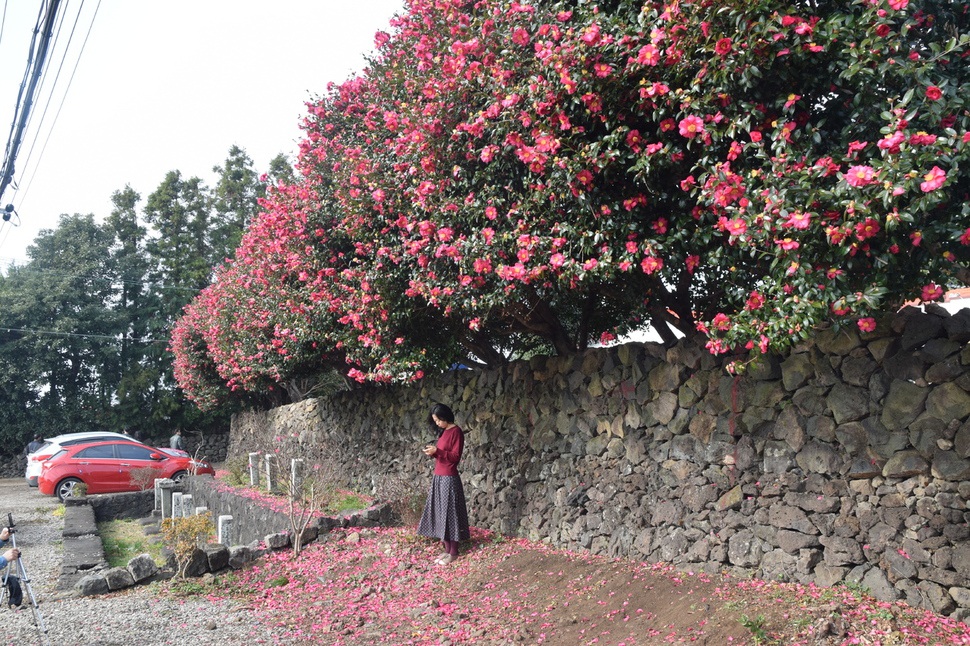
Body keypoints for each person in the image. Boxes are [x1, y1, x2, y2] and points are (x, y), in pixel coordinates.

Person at [417, 403, 470, 565]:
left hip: (449, 478)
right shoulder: (444, 432)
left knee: (450, 514)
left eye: (439, 419)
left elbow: (455, 457)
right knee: (441, 513)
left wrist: (437, 452)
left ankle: (454, 552)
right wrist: (433, 453)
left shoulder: (456, 432)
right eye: (435, 420)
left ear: (446, 416)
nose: (437, 423)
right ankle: (446, 550)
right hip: (438, 477)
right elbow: (442, 456)